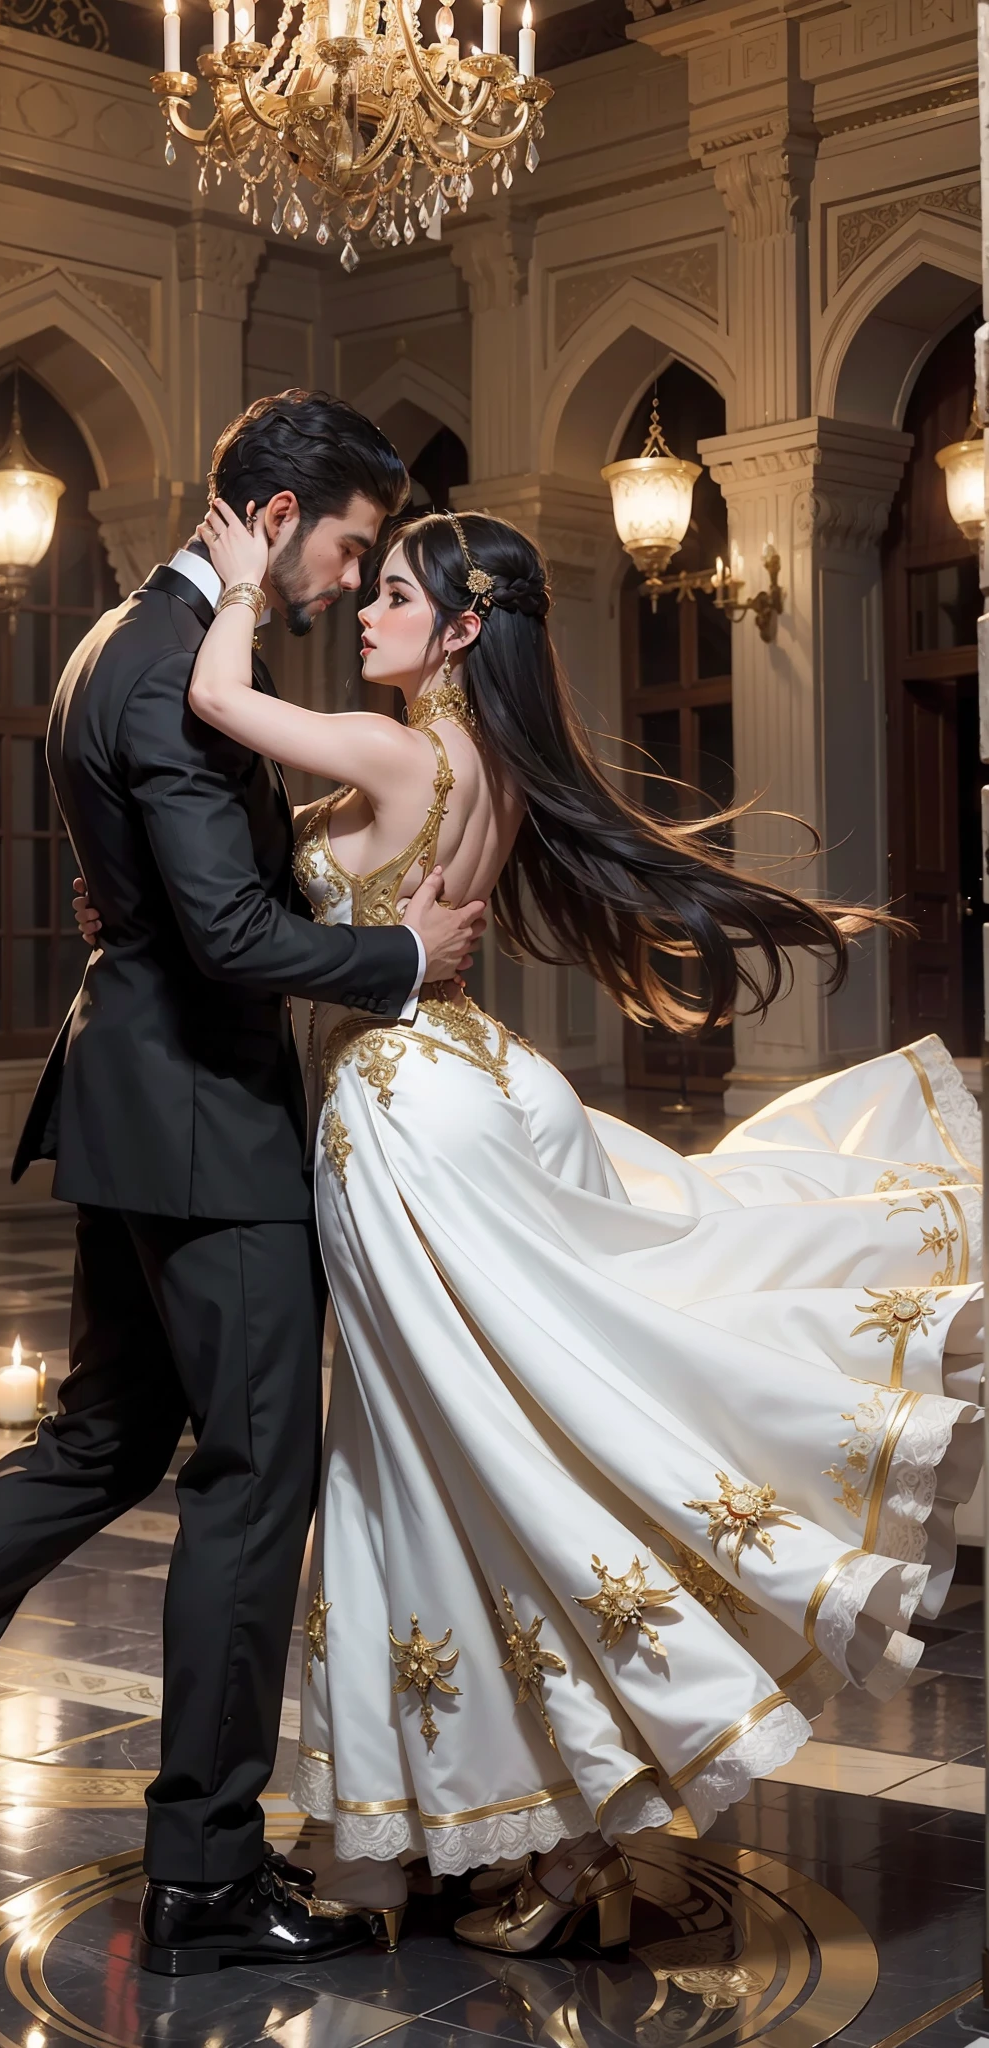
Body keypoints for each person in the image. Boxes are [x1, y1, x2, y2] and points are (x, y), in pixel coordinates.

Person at [181, 495, 983, 1956]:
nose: (366, 612)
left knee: (439, 1463)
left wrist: (235, 585)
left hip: (405, 1115)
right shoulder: (484, 759)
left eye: (400, 597)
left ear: (464, 628)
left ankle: (487, 1825)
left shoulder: (397, 747)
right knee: (480, 1449)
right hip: (474, 1081)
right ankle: (456, 1827)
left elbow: (217, 699)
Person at [0, 393, 487, 1979]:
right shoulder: (172, 670)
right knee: (252, 1477)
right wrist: (402, 957)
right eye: (353, 549)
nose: (354, 587)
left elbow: (172, 897)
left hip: (132, 1103)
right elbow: (227, 940)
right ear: (281, 520)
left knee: (104, 1436)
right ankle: (207, 1880)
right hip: (208, 1129)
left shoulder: (114, 644)